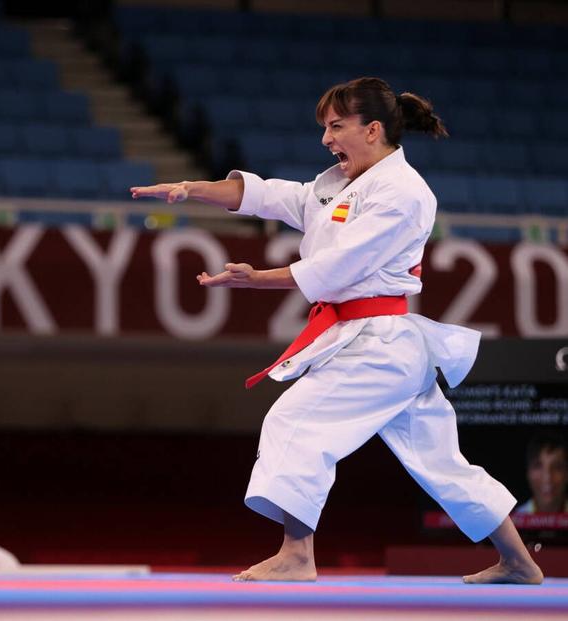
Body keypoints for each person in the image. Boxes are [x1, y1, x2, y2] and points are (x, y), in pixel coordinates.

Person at [130, 77, 543, 585]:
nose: (326, 138)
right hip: (377, 341)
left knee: (295, 423)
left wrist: (260, 279)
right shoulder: (337, 184)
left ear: (372, 130)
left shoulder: (404, 192)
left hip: (380, 343)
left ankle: (297, 553)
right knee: (440, 460)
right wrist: (194, 188)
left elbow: (342, 265)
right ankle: (520, 562)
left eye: (336, 126)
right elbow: (272, 197)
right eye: (325, 127)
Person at [515, 432, 568, 514]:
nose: (548, 478)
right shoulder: (514, 519)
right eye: (538, 466)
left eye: (557, 467)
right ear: (528, 473)